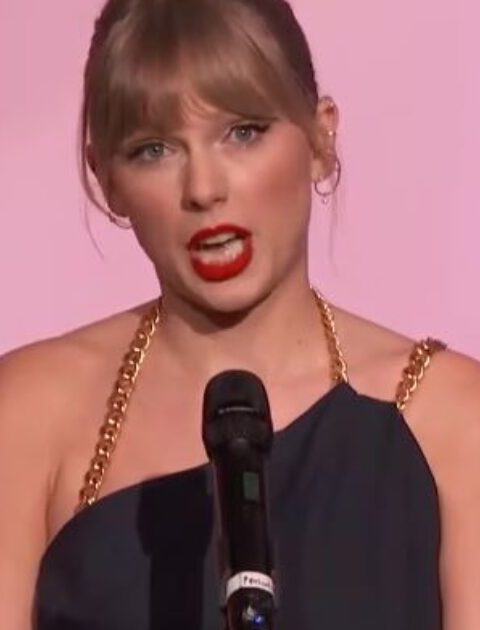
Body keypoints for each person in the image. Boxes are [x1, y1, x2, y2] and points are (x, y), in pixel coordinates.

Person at [0, 0, 479, 628]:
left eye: (243, 132)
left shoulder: (450, 420)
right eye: (154, 150)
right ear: (106, 177)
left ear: (321, 137)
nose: (204, 188)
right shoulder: (30, 412)